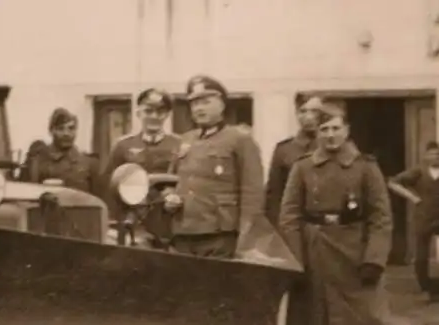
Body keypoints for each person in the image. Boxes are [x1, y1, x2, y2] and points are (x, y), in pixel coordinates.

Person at [279, 101, 393, 324]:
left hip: (355, 254)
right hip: (315, 253)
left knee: (360, 315)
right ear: (317, 133)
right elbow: (289, 217)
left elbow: (381, 218)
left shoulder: (366, 167)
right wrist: (296, 261)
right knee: (314, 314)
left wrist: (374, 259)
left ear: (347, 130)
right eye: (324, 129)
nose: (330, 135)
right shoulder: (302, 167)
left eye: (335, 128)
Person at [164, 75, 264, 259]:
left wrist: (246, 238)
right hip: (183, 232)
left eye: (206, 102)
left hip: (220, 235)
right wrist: (169, 197)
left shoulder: (240, 140)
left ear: (222, 105)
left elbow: (252, 193)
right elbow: (169, 181)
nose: (199, 108)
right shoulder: (185, 140)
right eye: (194, 104)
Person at [100, 88, 181, 248]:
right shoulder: (123, 145)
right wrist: (112, 224)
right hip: (134, 223)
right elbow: (109, 186)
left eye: (160, 112)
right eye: (148, 111)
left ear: (167, 115)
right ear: (138, 113)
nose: (154, 117)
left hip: (169, 222)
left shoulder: (178, 145)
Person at [388, 141, 439, 301]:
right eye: (431, 154)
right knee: (421, 257)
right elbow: (393, 182)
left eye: (437, 154)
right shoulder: (418, 171)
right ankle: (427, 288)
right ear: (425, 156)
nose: (435, 157)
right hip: (424, 217)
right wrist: (413, 197)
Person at [264, 94, 322, 227]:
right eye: (303, 111)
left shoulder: (333, 147)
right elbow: (274, 196)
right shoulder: (284, 150)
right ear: (296, 113)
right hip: (293, 225)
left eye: (314, 111)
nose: (308, 117)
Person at [33, 107, 101, 196]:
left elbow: (99, 202)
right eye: (60, 129)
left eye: (71, 128)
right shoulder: (38, 160)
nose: (66, 133)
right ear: (51, 131)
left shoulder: (89, 164)